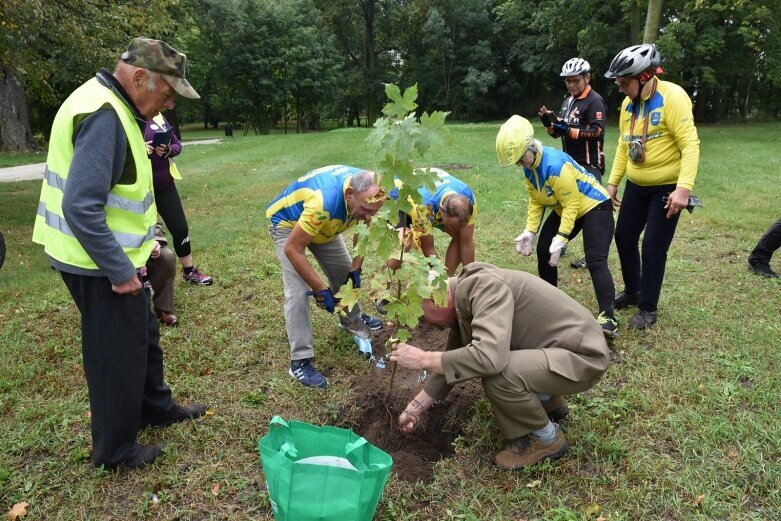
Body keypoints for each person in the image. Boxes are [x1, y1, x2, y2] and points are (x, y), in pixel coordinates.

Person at [31, 38, 207, 470]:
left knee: (141, 332)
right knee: (115, 351)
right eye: (166, 94)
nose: (169, 105)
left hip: (112, 255)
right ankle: (114, 451)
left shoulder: (114, 104)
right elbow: (80, 205)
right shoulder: (106, 116)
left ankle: (153, 406)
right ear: (141, 77)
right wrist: (117, 270)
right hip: (94, 262)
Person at [389, 262, 610, 469]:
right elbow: (452, 361)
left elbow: (489, 359)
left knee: (498, 373)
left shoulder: (485, 289)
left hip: (582, 358)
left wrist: (422, 359)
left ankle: (545, 440)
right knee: (492, 359)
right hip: (562, 351)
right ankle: (548, 402)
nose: (426, 325)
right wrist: (414, 409)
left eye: (421, 316)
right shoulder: (465, 298)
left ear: (436, 298)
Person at [604, 44, 701, 329]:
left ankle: (648, 308)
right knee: (623, 237)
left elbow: (690, 144)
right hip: (636, 185)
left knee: (653, 247)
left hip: (666, 188)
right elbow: (624, 147)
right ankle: (633, 291)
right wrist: (612, 183)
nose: (620, 89)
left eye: (624, 83)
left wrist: (683, 189)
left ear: (644, 77)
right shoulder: (627, 105)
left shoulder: (673, 97)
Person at [496, 115, 618, 337]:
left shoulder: (554, 165)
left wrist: (561, 237)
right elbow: (536, 200)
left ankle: (608, 317)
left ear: (531, 147)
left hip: (594, 205)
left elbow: (573, 204)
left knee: (595, 259)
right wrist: (530, 231)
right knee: (543, 250)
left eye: (521, 158)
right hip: (566, 207)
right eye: (517, 162)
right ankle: (550, 303)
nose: (520, 164)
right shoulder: (530, 167)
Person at [266, 165, 387, 388]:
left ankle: (351, 320)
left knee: (344, 276)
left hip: (324, 225)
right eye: (365, 210)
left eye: (374, 211)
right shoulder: (323, 203)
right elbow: (293, 250)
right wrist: (321, 290)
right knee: (298, 292)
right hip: (289, 224)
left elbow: (364, 229)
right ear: (349, 194)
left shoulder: (369, 194)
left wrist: (355, 268)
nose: (369, 217)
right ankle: (299, 361)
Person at [539, 57, 608, 270]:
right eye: (568, 81)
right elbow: (560, 130)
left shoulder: (594, 101)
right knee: (565, 204)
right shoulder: (568, 100)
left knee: (590, 212)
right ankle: (561, 240)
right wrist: (551, 125)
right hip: (569, 164)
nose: (571, 85)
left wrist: (567, 130)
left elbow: (597, 132)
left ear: (587, 78)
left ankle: (594, 256)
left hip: (589, 164)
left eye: (576, 81)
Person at [145, 113, 213, 285]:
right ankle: (143, 278)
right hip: (143, 188)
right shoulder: (129, 118)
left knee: (180, 228)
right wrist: (140, 151)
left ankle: (189, 271)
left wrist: (169, 150)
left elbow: (177, 145)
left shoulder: (158, 117)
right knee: (144, 234)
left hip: (165, 185)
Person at [387, 168, 477, 276]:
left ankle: (449, 276)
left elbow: (466, 243)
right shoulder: (423, 208)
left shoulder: (469, 200)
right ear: (441, 210)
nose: (454, 230)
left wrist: (471, 277)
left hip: (424, 194)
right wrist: (442, 279)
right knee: (404, 243)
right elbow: (428, 248)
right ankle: (383, 284)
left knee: (460, 236)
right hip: (399, 197)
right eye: (451, 226)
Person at [145, 218, 179, 326]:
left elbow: (155, 220)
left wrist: (154, 240)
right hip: (117, 250)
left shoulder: (145, 200)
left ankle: (162, 309)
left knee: (166, 256)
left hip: (145, 246)